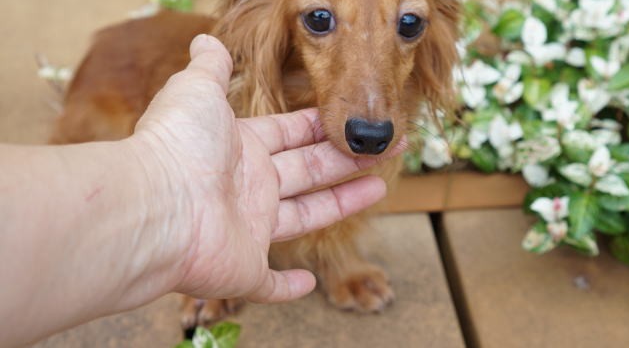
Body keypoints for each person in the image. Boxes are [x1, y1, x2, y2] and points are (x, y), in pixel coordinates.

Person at [0, 34, 398, 347]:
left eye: (408, 24)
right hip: (113, 95)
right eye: (319, 18)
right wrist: (163, 195)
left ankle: (339, 261)